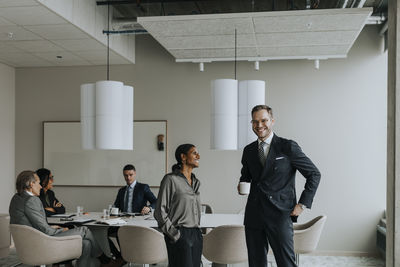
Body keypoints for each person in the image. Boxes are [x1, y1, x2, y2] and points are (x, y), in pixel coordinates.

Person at [238, 105, 321, 267]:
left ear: (272, 121)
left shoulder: (287, 146)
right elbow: (246, 176)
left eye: (263, 120)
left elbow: (314, 174)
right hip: (254, 214)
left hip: (280, 214)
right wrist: (241, 184)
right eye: (255, 122)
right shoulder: (248, 151)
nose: (259, 125)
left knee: (286, 263)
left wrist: (302, 204)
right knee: (256, 263)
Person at [9, 170, 113, 267]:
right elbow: (46, 231)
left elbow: (34, 225)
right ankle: (103, 258)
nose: (41, 186)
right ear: (31, 184)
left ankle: (98, 259)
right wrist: (60, 229)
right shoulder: (32, 200)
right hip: (43, 244)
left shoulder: (16, 198)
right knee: (84, 230)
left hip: (30, 244)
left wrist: (52, 226)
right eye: (38, 183)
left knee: (86, 243)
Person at [155, 144, 202, 267]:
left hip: (196, 234)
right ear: (183, 157)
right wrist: (175, 234)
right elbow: (160, 211)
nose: (198, 156)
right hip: (179, 233)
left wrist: (198, 235)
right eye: (194, 153)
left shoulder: (196, 182)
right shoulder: (170, 179)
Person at [108, 164, 157, 263]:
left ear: (135, 174)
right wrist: (111, 211)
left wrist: (149, 208)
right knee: (106, 231)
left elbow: (156, 202)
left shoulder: (143, 187)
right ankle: (121, 256)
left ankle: (130, 255)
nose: (128, 178)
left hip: (138, 221)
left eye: (130, 175)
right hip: (123, 220)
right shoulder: (121, 191)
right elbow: (116, 205)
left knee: (127, 233)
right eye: (126, 175)